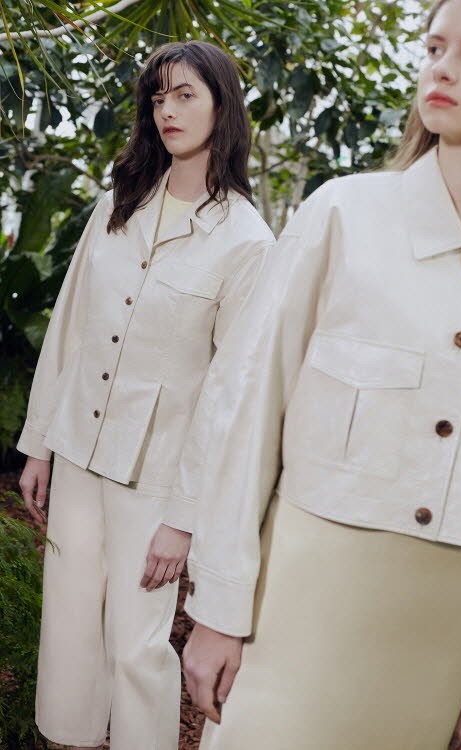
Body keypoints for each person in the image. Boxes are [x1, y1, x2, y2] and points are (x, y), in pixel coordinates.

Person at [180, 1, 461, 748]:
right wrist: (218, 607)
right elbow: (247, 407)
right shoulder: (345, 214)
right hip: (301, 602)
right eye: (435, 47)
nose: (443, 69)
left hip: (449, 632)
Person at [17, 40, 274, 750]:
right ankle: (68, 741)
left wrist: (184, 519)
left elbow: (231, 395)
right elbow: (70, 330)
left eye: (185, 94)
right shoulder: (118, 205)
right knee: (69, 624)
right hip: (78, 448)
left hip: (157, 478)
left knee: (136, 647)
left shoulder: (247, 242)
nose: (168, 110)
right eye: (158, 97)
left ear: (222, 107)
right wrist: (39, 446)